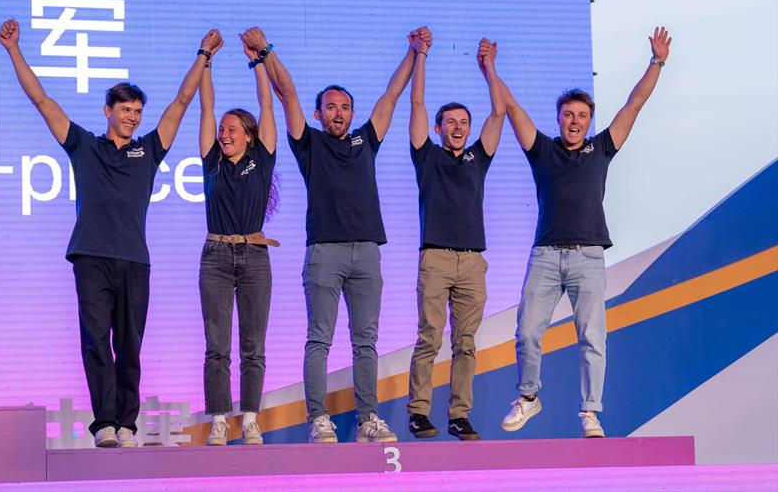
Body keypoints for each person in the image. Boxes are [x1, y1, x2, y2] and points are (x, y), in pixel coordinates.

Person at [0, 18, 221, 448]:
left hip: (134, 260)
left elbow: (181, 100)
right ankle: (104, 424)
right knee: (96, 340)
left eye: (137, 113)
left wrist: (204, 54)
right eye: (125, 111)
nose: (133, 118)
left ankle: (127, 424)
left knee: (130, 345)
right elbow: (42, 99)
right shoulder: (84, 145)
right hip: (91, 256)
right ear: (108, 112)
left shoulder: (149, 149)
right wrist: (13, 51)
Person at [241, 26, 419, 443]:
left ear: (351, 114)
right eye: (330, 107)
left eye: (344, 108)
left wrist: (413, 52)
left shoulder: (365, 140)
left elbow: (391, 96)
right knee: (319, 338)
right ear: (320, 114)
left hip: (367, 251)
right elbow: (286, 93)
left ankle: (368, 418)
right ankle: (318, 418)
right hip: (324, 251)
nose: (337, 113)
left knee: (366, 342)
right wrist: (265, 53)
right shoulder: (309, 143)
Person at [500, 26, 672, 438]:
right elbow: (510, 108)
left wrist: (657, 61)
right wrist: (489, 68)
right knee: (526, 331)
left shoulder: (601, 148)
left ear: (588, 120)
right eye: (568, 115)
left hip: (588, 256)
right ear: (558, 118)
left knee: (593, 338)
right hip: (545, 254)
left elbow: (635, 104)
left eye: (581, 116)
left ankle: (590, 412)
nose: (575, 122)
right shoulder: (542, 149)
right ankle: (528, 397)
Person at [406, 30, 506, 441]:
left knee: (466, 343)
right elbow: (415, 102)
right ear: (438, 127)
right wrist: (421, 56)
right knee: (430, 337)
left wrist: (489, 69)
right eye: (452, 122)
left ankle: (459, 415)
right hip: (436, 258)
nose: (460, 127)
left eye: (464, 122)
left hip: (472, 261)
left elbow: (498, 114)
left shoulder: (478, 158)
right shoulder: (426, 155)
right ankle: (418, 412)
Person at [198, 32, 279, 446]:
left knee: (253, 345)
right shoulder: (212, 160)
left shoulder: (261, 159)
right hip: (214, 254)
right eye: (222, 130)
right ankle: (218, 419)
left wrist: (258, 62)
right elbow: (207, 105)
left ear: (248, 135)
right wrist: (206, 59)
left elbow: (267, 105)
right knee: (217, 346)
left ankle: (249, 419)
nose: (224, 133)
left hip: (254, 254)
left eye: (232, 129)